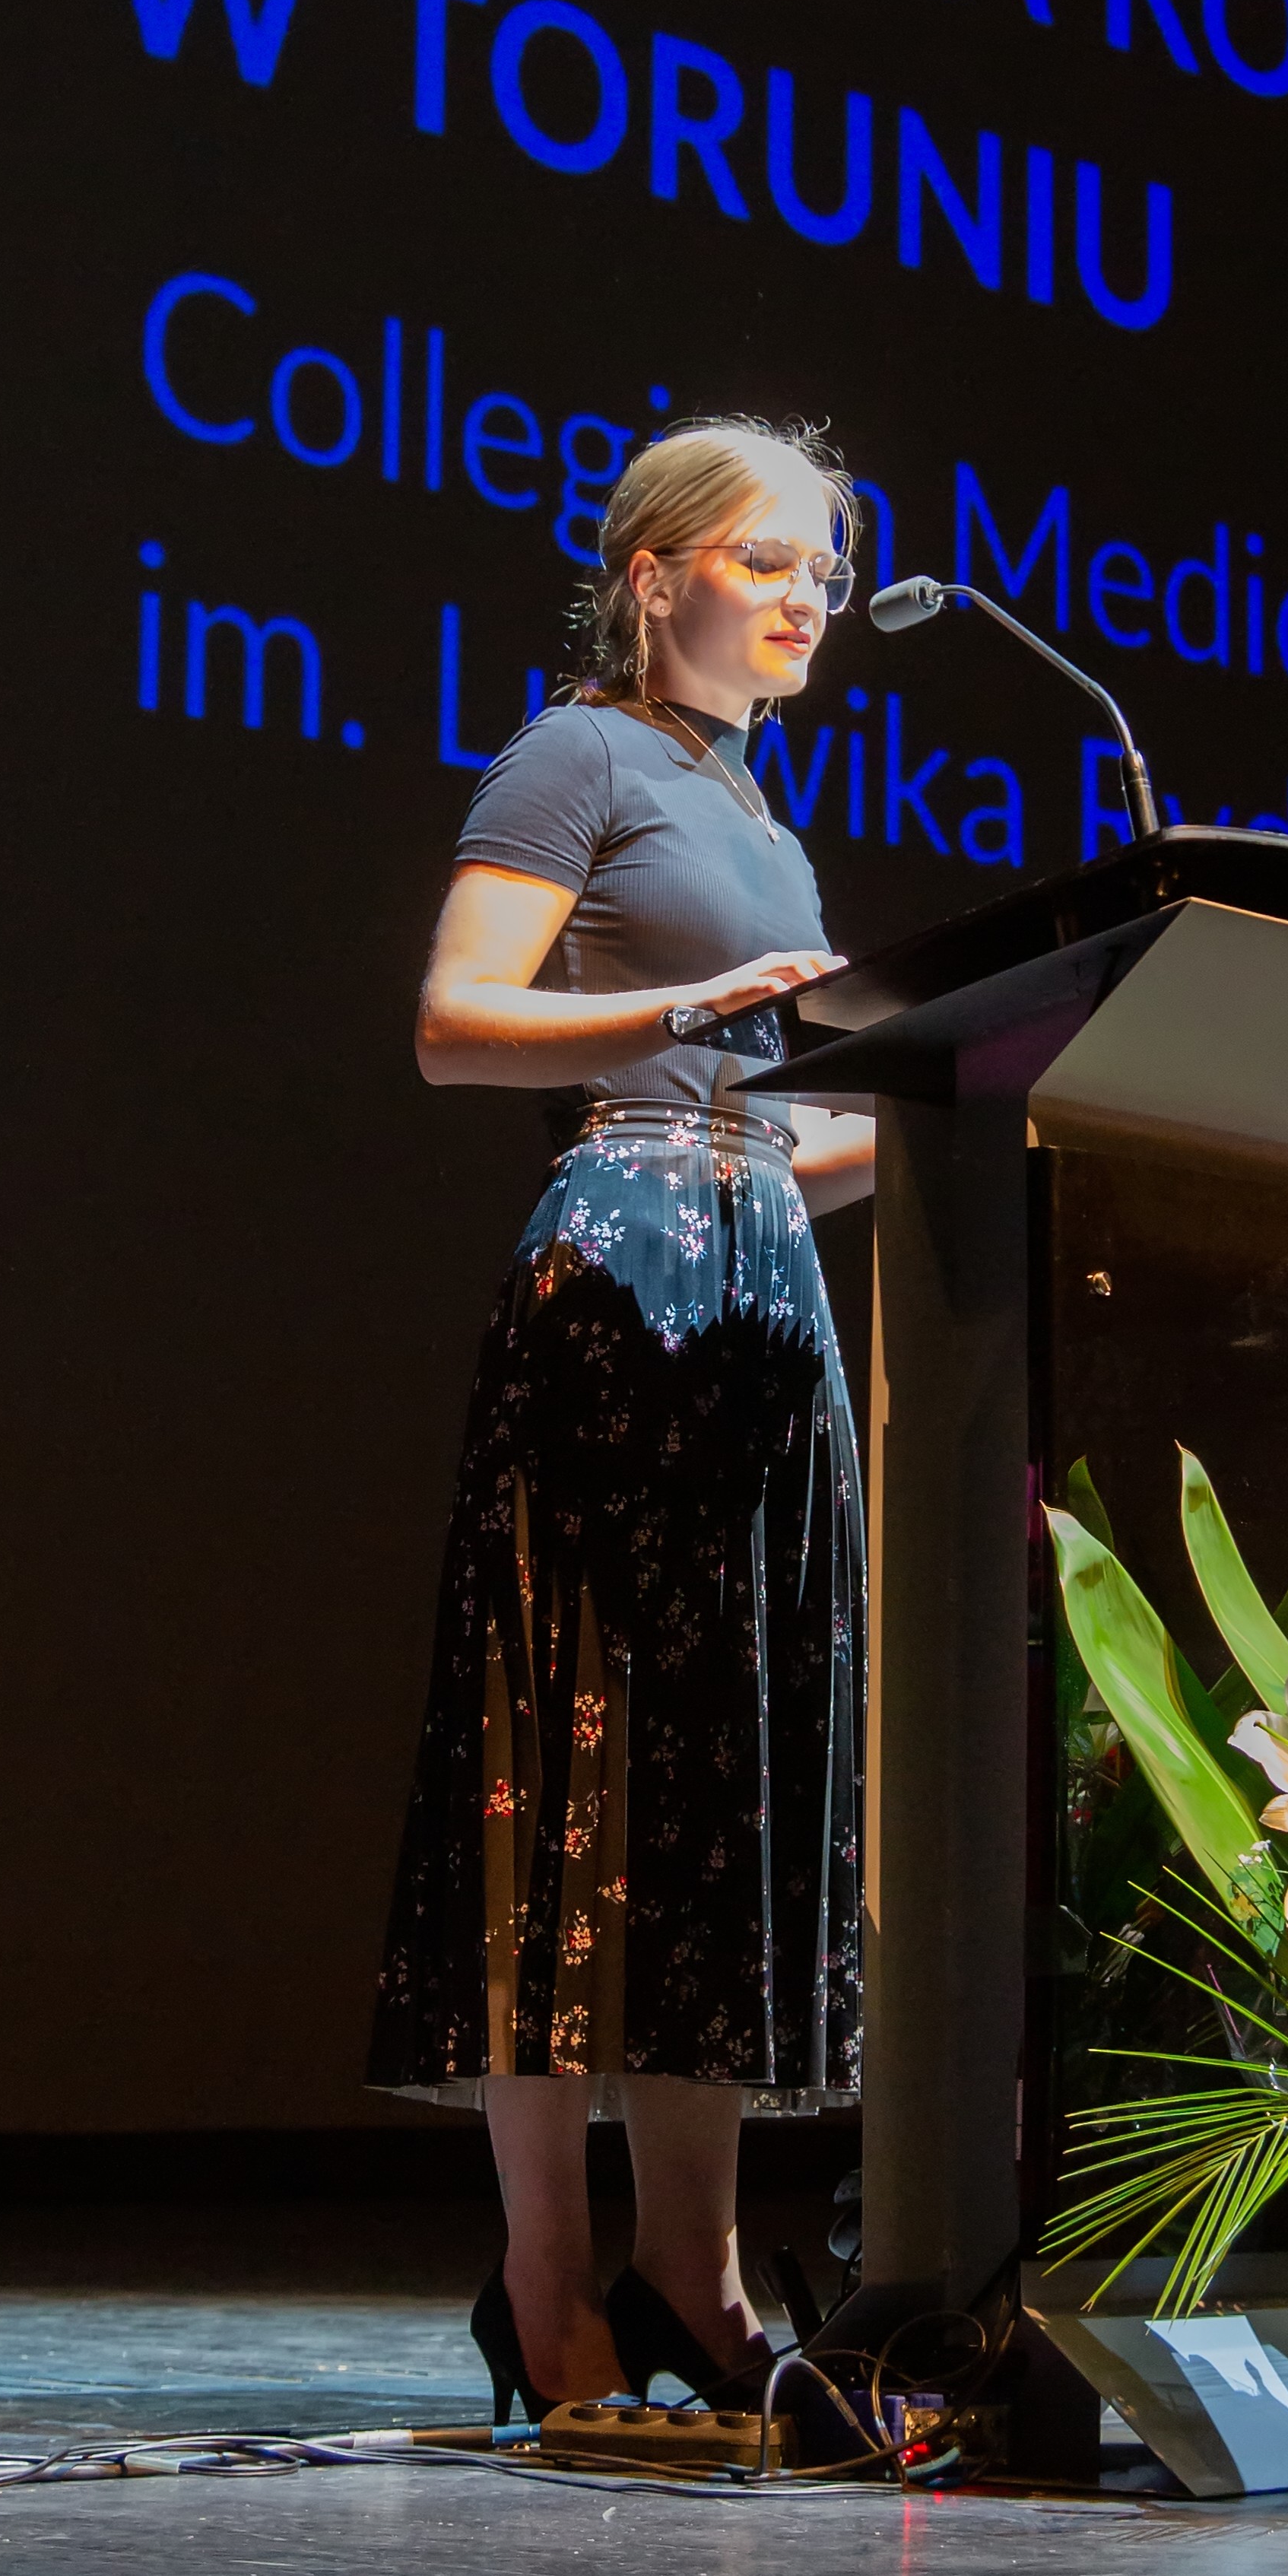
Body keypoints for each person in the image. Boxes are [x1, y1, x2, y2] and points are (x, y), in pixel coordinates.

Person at [369, 418, 876, 2421]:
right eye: (766, 558)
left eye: (823, 568)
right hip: (617, 1291)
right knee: (563, 1772)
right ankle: (549, 2285)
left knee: (717, 1788)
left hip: (761, 1294)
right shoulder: (574, 754)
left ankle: (699, 2271)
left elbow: (759, 1129)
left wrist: (964, 1114)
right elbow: (454, 1023)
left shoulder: (757, 810)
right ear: (654, 576)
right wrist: (685, 1012)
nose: (805, 595)